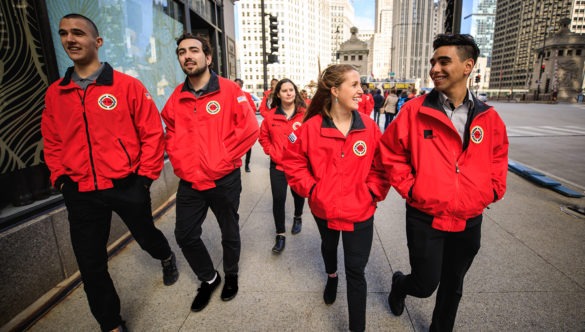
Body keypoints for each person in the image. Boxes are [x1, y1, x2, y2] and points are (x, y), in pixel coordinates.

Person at [41, 13, 178, 332]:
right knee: (90, 264)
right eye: (63, 33)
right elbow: (52, 139)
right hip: (80, 191)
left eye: (78, 33)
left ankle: (166, 254)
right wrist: (61, 179)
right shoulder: (56, 93)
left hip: (126, 184)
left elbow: (152, 133)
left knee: (146, 237)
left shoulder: (127, 86)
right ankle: (111, 324)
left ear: (97, 42)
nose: (70, 39)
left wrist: (144, 179)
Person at [379, 34, 509, 331]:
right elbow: (389, 153)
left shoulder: (489, 117)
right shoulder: (414, 111)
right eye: (433, 62)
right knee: (425, 284)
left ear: (467, 66)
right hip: (426, 216)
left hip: (469, 218)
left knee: (453, 286)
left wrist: (490, 190)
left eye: (444, 61)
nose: (435, 68)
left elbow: (499, 156)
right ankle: (400, 284)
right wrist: (412, 188)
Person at [283, 64, 390, 332]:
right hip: (324, 209)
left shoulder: (369, 127)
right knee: (329, 249)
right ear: (334, 90)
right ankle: (331, 276)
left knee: (356, 271)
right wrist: (314, 190)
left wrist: (372, 192)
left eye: (360, 85)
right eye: (353, 85)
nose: (360, 91)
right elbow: (294, 164)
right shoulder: (309, 128)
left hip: (361, 212)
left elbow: (382, 166)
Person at [160, 33, 259, 313]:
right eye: (181, 52)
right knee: (185, 235)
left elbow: (250, 129)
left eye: (193, 50)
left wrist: (223, 158)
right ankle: (209, 278)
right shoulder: (176, 98)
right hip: (190, 180)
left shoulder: (229, 91)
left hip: (223, 178)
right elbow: (170, 132)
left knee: (229, 231)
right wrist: (180, 160)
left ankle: (231, 275)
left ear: (208, 57)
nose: (187, 56)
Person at [258, 78, 307, 253]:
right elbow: (263, 137)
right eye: (284, 90)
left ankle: (298, 216)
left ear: (295, 92)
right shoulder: (270, 116)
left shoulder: (305, 114)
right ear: (278, 94)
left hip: (298, 166)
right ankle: (280, 234)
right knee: (278, 199)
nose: (288, 93)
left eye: (291, 90)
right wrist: (271, 151)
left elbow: (311, 136)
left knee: (298, 194)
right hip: (278, 166)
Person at [235, 78, 257, 172]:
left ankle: (247, 164)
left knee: (248, 146)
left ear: (241, 86)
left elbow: (253, 108)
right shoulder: (228, 94)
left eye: (237, 84)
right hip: (234, 125)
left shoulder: (246, 95)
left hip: (245, 124)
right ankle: (235, 163)